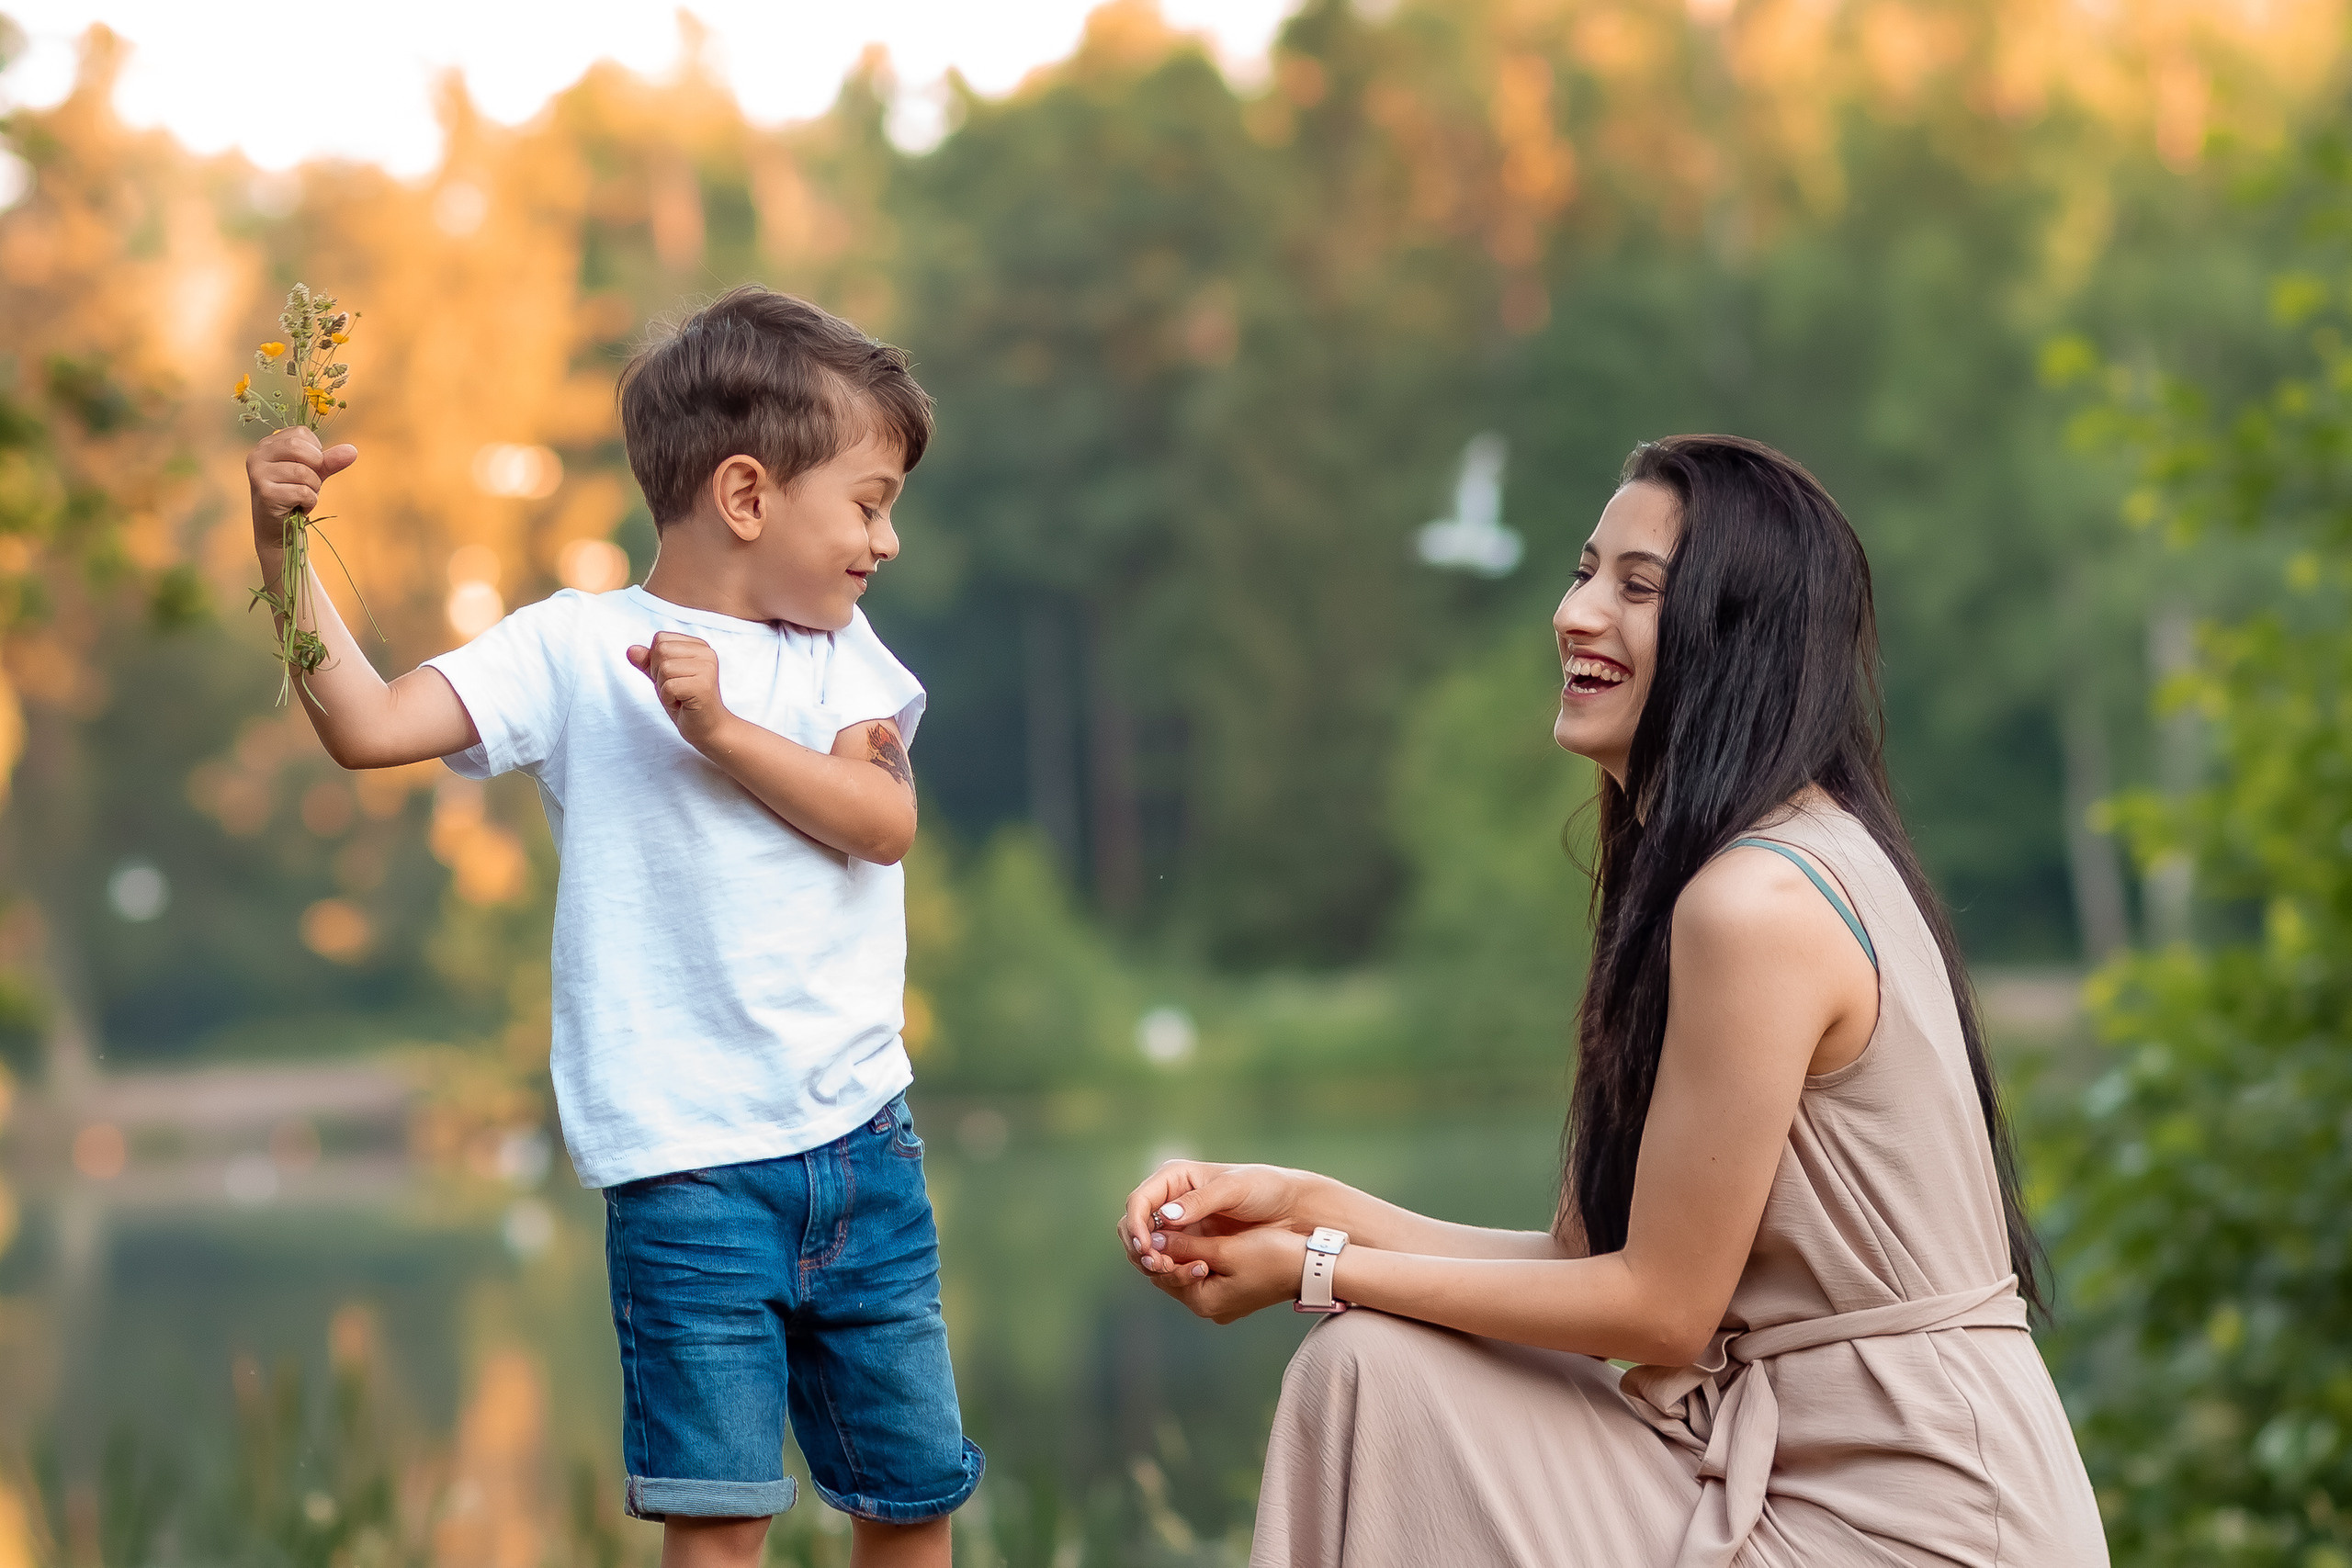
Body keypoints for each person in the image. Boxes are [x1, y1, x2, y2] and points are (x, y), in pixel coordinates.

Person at [1116, 435, 2107, 1566]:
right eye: (1585, 571)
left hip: (1922, 1522)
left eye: (1637, 589)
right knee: (1367, 1369)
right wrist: (1304, 1203)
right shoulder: (1757, 860)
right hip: (1807, 1481)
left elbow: (1659, 1313)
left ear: (1735, 639)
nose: (1576, 612)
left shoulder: (1758, 903)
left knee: (1363, 1364)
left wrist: (1316, 1272)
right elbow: (1585, 1264)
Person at [244, 286, 980, 1568]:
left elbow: (880, 820)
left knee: (911, 1497)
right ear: (747, 497)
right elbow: (365, 727)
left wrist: (722, 730)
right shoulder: (575, 650)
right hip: (686, 1172)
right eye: (868, 504)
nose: (885, 543)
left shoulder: (837, 657)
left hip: (863, 1144)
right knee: (719, 1514)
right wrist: (279, 550)